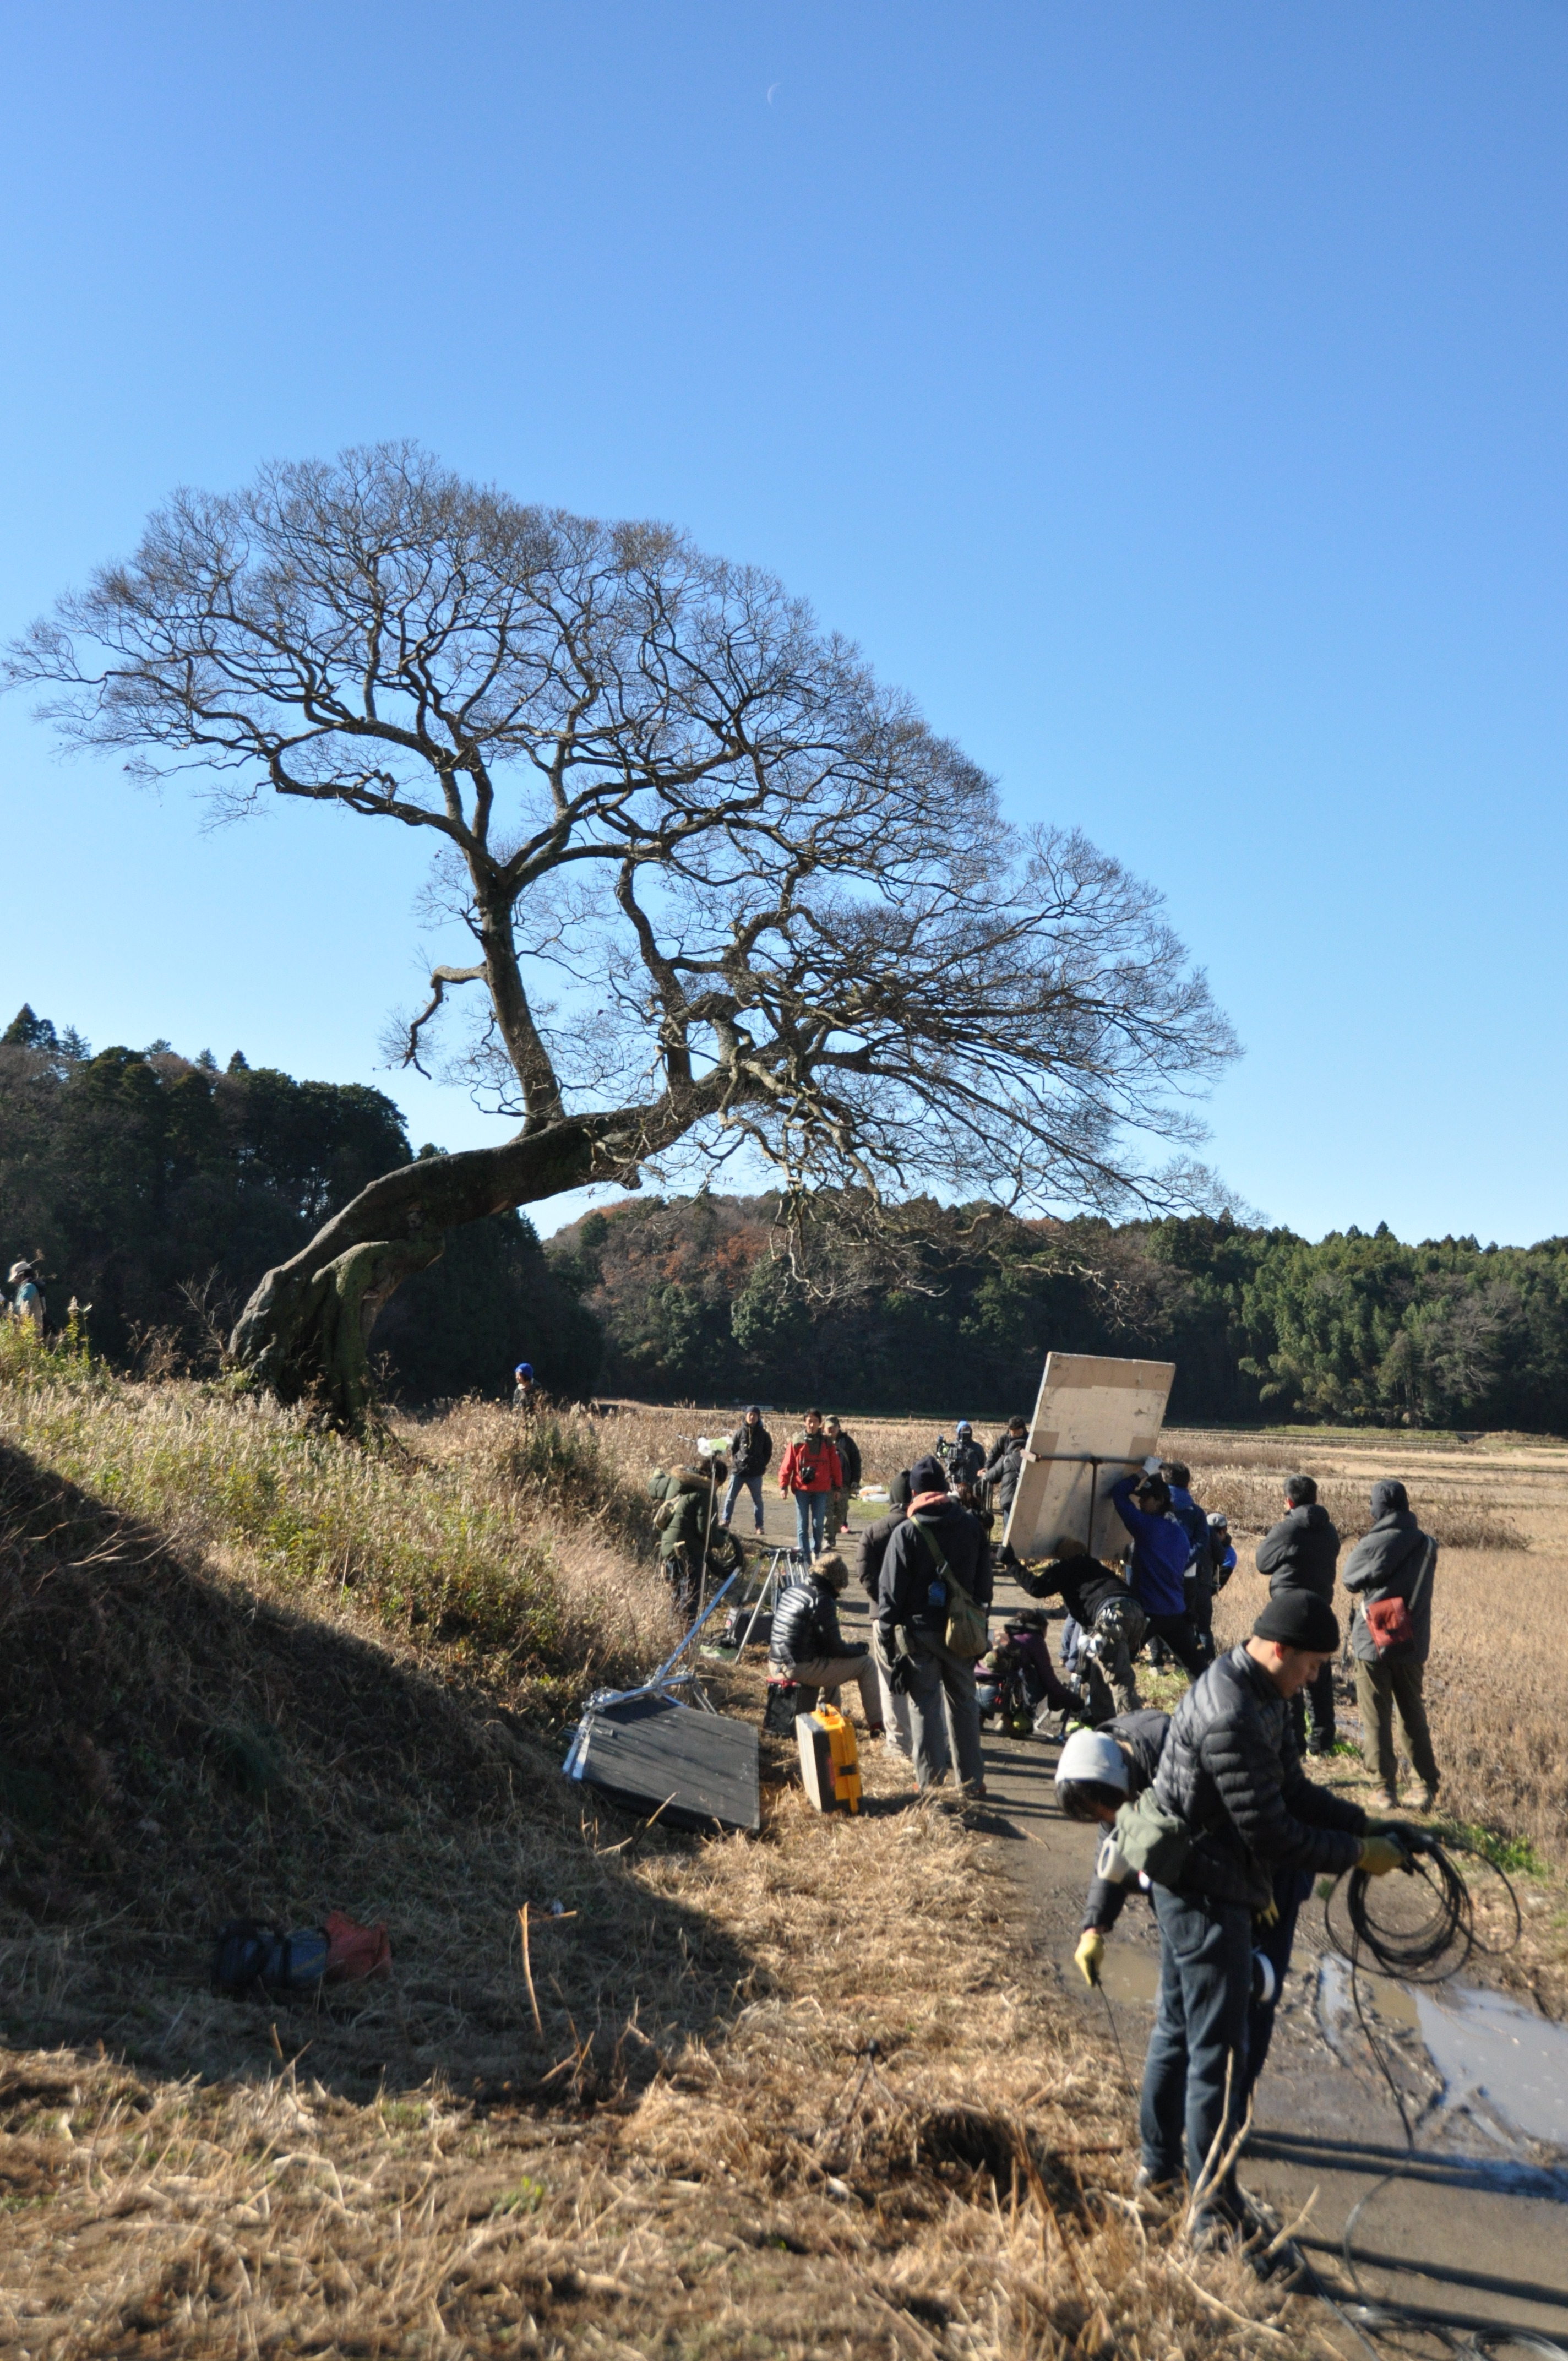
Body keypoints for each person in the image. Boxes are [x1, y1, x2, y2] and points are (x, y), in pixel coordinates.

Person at [1140, 1592, 1404, 2237]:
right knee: (1217, 2051)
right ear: (1280, 1649)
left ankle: (1159, 2171)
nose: (1314, 1680)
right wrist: (1355, 1854)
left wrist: (1361, 1822)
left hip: (1209, 1876)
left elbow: (1291, 1789)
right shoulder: (1229, 1710)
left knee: (1179, 2028)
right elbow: (1272, 1834)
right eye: (1312, 1666)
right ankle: (1209, 2207)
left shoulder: (1265, 1692)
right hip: (1203, 1887)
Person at [1055, 1716, 1311, 2112]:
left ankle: (1231, 2113)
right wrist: (1095, 1927)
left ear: (1124, 1783)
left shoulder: (1188, 1753)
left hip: (1274, 1856)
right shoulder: (1109, 1767)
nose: (1110, 1820)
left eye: (1112, 1810)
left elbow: (1251, 1812)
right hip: (1216, 1868)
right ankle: (1194, 2114)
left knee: (1254, 1990)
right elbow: (1114, 1847)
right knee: (1187, 2001)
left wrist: (1262, 1884)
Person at [876, 1455, 993, 1798]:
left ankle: (930, 1785)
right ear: (943, 1488)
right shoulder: (973, 1527)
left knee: (925, 1706)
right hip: (962, 1632)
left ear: (914, 1492)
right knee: (965, 1704)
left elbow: (890, 1593)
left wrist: (886, 1635)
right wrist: (979, 1623)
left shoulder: (907, 1533)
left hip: (920, 1634)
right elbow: (985, 1587)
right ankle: (972, 1782)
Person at [1341, 1479, 1440, 1813]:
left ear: (1378, 1508)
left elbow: (1349, 1579)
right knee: (1413, 1711)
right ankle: (1424, 1785)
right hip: (1412, 1640)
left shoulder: (1374, 1542)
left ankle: (1383, 1788)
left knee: (1376, 1714)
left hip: (1375, 1639)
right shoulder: (1427, 1544)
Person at [1255, 1474, 1341, 1757]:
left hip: (1289, 1610)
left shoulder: (1287, 1529)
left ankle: (1295, 1743)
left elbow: (1263, 1563)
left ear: (1289, 1500)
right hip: (1320, 1606)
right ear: (1316, 1499)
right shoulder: (1330, 1532)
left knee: (1289, 1674)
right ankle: (1324, 1742)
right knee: (1320, 1676)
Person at [1019, 1537, 1148, 1720]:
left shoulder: (1068, 1567)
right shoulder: (1095, 1567)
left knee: (1118, 1678)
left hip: (1111, 1615)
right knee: (1099, 1672)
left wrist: (1011, 1563)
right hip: (1135, 1613)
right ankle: (1102, 1721)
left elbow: (1036, 1588)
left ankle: (1133, 1730)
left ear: (1062, 1558)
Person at [768, 1550, 885, 1734]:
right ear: (835, 1582)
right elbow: (836, 1649)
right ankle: (878, 1725)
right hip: (797, 1668)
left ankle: (830, 1716)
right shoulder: (822, 1600)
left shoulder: (794, 1589)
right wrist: (860, 1648)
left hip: (776, 1663)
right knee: (867, 1665)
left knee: (830, 1667)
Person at [1109, 1466, 1208, 1678]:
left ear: (1159, 1500)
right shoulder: (1179, 1533)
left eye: (1145, 1498)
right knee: (1196, 1668)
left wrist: (1142, 1473)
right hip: (1176, 1611)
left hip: (1147, 1613)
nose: (1140, 1502)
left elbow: (1118, 1493)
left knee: (1117, 1662)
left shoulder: (1146, 1527)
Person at [856, 1470, 915, 1755]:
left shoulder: (873, 1531)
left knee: (890, 1680)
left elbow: (863, 1570)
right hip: (916, 1617)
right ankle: (928, 1739)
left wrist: (881, 1599)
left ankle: (898, 1744)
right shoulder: (920, 1529)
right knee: (923, 1679)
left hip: (883, 1616)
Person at [650, 1456, 742, 1622]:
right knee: (691, 1598)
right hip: (688, 1553)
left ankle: (674, 1636)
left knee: (676, 1595)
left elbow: (653, 1488)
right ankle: (685, 1638)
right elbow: (706, 1532)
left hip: (669, 1547)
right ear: (718, 1480)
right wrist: (723, 1537)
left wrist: (657, 1476)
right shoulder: (706, 1492)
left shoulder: (679, 1480)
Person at [1163, 1461, 1217, 1667]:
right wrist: (1185, 1562)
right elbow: (1202, 1541)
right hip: (1189, 1573)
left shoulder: (1156, 1505)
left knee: (1156, 1612)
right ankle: (1187, 1660)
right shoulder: (1196, 1512)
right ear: (1188, 1483)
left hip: (1160, 1570)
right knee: (1186, 1616)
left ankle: (1158, 1660)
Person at [778, 1411, 842, 1563]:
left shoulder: (827, 1443)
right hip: (802, 1489)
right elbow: (788, 1464)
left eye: (814, 1421)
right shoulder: (797, 1441)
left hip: (821, 1490)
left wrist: (838, 1487)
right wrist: (783, 1485)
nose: (811, 1424)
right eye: (808, 1421)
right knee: (802, 1525)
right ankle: (804, 1555)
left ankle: (816, 1550)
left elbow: (835, 1466)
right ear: (804, 1422)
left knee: (818, 1524)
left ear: (820, 1423)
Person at [722, 1406, 772, 1535]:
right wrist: (737, 1461)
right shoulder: (739, 1432)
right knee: (730, 1498)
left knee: (758, 1501)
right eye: (750, 1415)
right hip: (739, 1471)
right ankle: (726, 1521)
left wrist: (761, 1465)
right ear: (746, 1416)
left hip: (755, 1474)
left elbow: (768, 1452)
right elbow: (733, 1449)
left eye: (755, 1415)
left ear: (758, 1417)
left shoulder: (764, 1435)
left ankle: (759, 1526)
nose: (752, 1417)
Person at [984, 1417, 1031, 1525]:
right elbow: (993, 1455)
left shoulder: (1030, 1439)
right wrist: (987, 1469)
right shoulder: (1003, 1439)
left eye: (1019, 1434)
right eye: (1014, 1434)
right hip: (1009, 1476)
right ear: (1009, 1430)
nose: (1017, 1436)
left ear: (1024, 1429)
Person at [824, 1416, 862, 1544]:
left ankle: (833, 1534)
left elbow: (856, 1462)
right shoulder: (821, 1442)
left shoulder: (848, 1443)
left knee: (841, 1514)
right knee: (827, 1514)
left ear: (838, 1427)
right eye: (828, 1427)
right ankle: (828, 1539)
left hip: (844, 1485)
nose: (831, 1430)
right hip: (826, 1484)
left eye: (833, 1427)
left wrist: (855, 1480)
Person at [948, 1421, 984, 1489]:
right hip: (957, 1484)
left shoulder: (977, 1447)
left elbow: (983, 1464)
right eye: (963, 1430)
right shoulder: (953, 1446)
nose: (965, 1432)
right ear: (959, 1432)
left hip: (973, 1484)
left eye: (967, 1430)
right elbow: (948, 1463)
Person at [9, 1260, 45, 1328]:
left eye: (16, 1277)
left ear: (21, 1275)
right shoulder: (25, 1288)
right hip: (27, 1330)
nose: (15, 1280)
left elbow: (24, 1310)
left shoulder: (29, 1288)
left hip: (31, 1332)